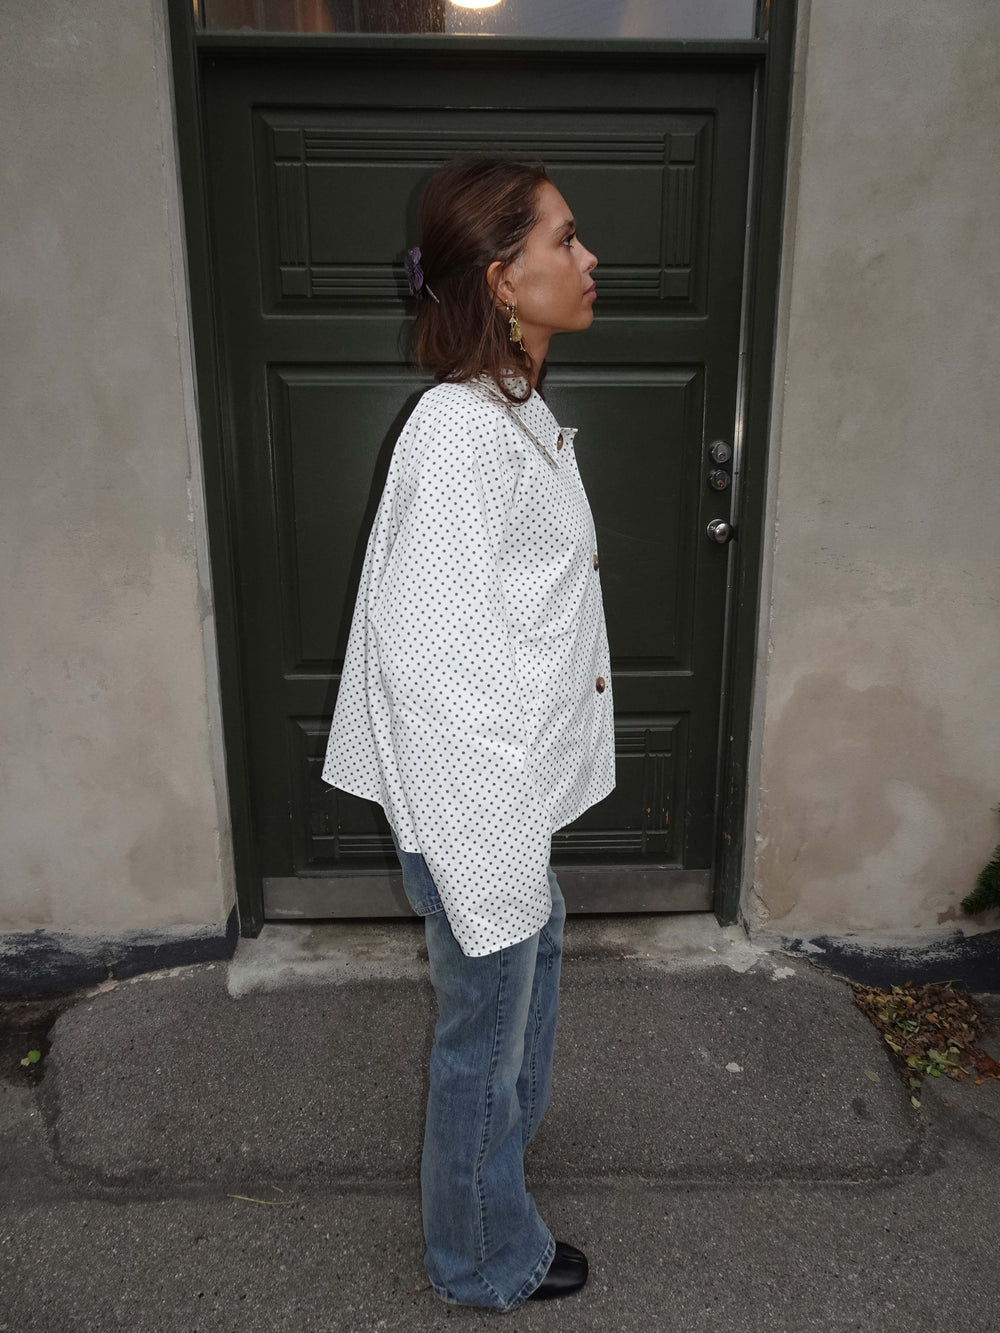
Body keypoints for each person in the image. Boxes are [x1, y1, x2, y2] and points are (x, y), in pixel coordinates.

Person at [321, 155, 615, 1311]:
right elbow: (434, 663)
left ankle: (493, 1185)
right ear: (502, 278)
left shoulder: (511, 411)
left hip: (504, 798)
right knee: (481, 1039)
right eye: (564, 240)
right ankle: (482, 1258)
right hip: (475, 807)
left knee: (511, 1012)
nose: (589, 259)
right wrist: (492, 860)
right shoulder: (458, 432)